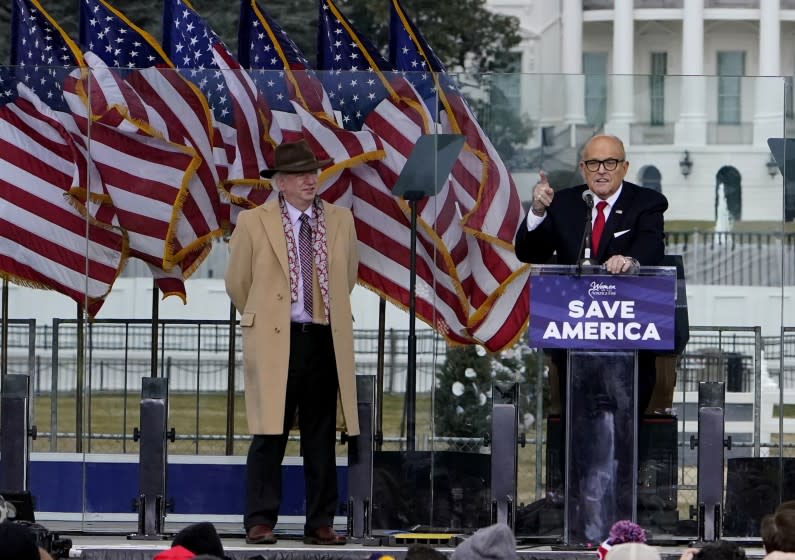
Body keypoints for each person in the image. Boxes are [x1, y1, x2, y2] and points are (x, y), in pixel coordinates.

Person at [514, 134, 668, 540]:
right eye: (593, 164)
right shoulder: (565, 203)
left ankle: (622, 528)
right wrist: (537, 212)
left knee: (623, 440)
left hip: (629, 350)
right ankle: (579, 525)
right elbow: (528, 251)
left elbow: (652, 247)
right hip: (575, 350)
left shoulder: (646, 203)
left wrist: (631, 261)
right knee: (578, 439)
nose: (602, 171)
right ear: (582, 169)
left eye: (610, 163)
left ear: (624, 167)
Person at [225, 139, 360, 546]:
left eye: (313, 172)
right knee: (269, 433)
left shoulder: (340, 220)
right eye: (300, 174)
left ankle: (320, 522)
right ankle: (260, 520)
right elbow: (238, 283)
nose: (310, 179)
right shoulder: (252, 222)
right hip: (275, 340)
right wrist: (268, 314)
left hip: (321, 338)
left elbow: (347, 277)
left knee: (320, 437)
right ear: (279, 182)